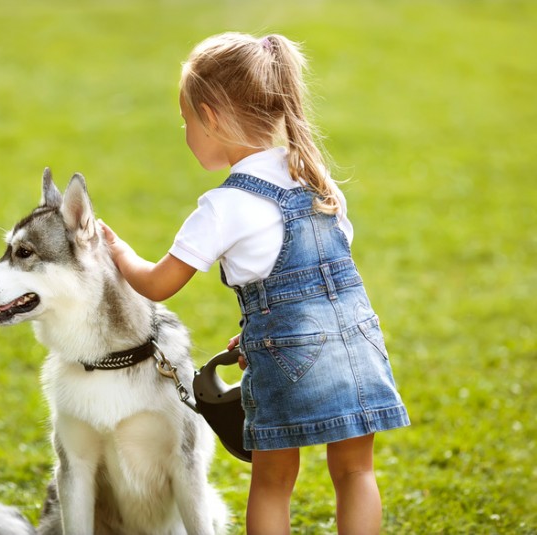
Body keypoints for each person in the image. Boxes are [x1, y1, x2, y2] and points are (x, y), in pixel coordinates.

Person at [100, 31, 409, 535]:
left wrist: (117, 251)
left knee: (272, 481)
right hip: (358, 339)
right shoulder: (316, 180)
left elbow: (157, 284)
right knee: (356, 471)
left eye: (186, 121)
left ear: (212, 117)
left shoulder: (222, 207)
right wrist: (260, 331)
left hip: (288, 355)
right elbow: (324, 279)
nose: (184, 133)